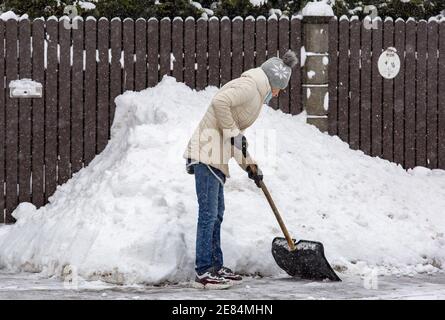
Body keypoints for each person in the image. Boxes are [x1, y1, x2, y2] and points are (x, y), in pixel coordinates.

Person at [183, 50, 298, 289]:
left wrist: (251, 166)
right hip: (207, 153)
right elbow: (219, 103)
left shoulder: (255, 93)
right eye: (280, 89)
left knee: (217, 214)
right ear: (274, 83)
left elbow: (234, 136)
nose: (277, 94)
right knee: (208, 215)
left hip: (216, 156)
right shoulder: (250, 87)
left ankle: (215, 266)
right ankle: (204, 272)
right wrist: (234, 134)